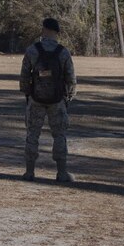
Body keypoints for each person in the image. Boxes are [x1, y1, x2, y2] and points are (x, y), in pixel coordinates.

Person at [19, 17, 77, 182]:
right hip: (57, 100)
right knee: (59, 135)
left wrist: (27, 94)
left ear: (43, 29)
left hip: (36, 99)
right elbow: (71, 78)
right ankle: (62, 172)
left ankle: (29, 172)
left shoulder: (32, 50)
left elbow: (24, 76)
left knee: (32, 135)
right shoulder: (63, 52)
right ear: (57, 33)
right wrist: (68, 97)